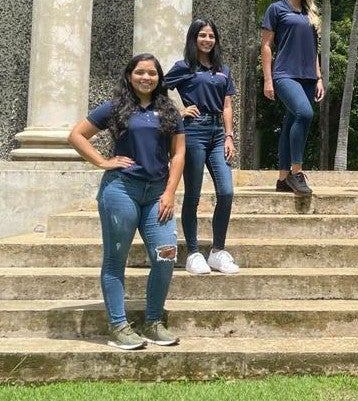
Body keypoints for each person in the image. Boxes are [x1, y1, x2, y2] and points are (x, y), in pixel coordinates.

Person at [68, 53, 185, 350]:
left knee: (166, 256)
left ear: (159, 78)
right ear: (130, 75)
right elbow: (77, 135)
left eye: (152, 73)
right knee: (115, 260)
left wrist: (170, 192)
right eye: (140, 72)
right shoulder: (115, 108)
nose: (146, 78)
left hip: (157, 193)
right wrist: (103, 162)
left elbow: (179, 154)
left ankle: (154, 322)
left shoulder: (170, 111)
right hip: (122, 190)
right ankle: (118, 326)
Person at [165, 19, 239, 276]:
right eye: (202, 35)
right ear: (193, 39)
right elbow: (158, 89)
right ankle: (194, 252)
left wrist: (229, 136)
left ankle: (218, 251)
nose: (207, 40)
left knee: (226, 192)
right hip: (193, 130)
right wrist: (178, 111)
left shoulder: (223, 70)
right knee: (193, 194)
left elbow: (227, 104)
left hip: (218, 131)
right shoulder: (184, 67)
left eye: (211, 36)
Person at [261, 0, 325, 195]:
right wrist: (268, 79)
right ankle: (296, 172)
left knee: (291, 123)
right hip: (284, 74)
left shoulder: (311, 14)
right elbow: (267, 45)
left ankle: (282, 179)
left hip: (308, 76)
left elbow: (313, 50)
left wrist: (319, 78)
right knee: (304, 114)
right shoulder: (277, 9)